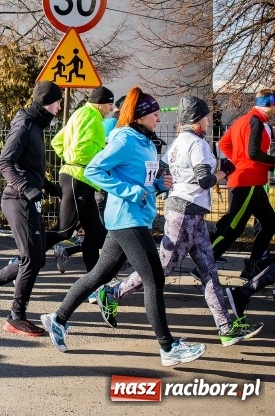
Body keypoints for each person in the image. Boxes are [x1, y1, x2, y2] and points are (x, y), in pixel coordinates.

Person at [39, 87, 207, 367]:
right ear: (140, 116)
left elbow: (141, 181)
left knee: (99, 275)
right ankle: (168, 348)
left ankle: (57, 319)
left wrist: (157, 185)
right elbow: (94, 170)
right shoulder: (125, 139)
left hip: (135, 218)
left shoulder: (145, 141)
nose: (159, 119)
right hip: (127, 219)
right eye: (155, 114)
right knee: (154, 279)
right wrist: (132, 191)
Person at [97, 96, 262, 347]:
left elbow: (163, 169)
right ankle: (113, 293)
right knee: (162, 268)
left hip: (189, 211)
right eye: (206, 117)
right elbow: (205, 181)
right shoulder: (198, 143)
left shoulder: (176, 143)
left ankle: (226, 328)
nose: (209, 122)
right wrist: (227, 169)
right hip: (185, 212)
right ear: (197, 119)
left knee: (209, 271)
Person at [0, 82, 63, 335]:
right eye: (57, 102)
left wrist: (47, 185)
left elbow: (28, 164)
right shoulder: (24, 125)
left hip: (28, 198)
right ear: (46, 102)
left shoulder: (36, 125)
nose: (59, 106)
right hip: (18, 199)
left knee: (36, 257)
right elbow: (5, 163)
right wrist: (27, 188)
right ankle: (16, 317)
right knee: (31, 259)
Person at [49, 87, 114, 278]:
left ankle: (95, 280)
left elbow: (57, 142)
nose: (111, 109)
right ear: (100, 103)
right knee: (65, 231)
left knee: (95, 233)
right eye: (109, 104)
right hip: (77, 177)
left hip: (82, 178)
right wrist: (105, 156)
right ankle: (20, 261)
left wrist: (69, 158)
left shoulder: (82, 114)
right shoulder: (91, 116)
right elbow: (82, 150)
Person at [211, 89, 275, 279]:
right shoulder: (255, 121)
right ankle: (204, 262)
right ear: (270, 104)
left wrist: (238, 160)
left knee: (270, 223)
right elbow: (253, 153)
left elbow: (223, 143)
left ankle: (252, 266)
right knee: (235, 228)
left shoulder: (243, 120)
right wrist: (272, 161)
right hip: (248, 181)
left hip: (252, 181)